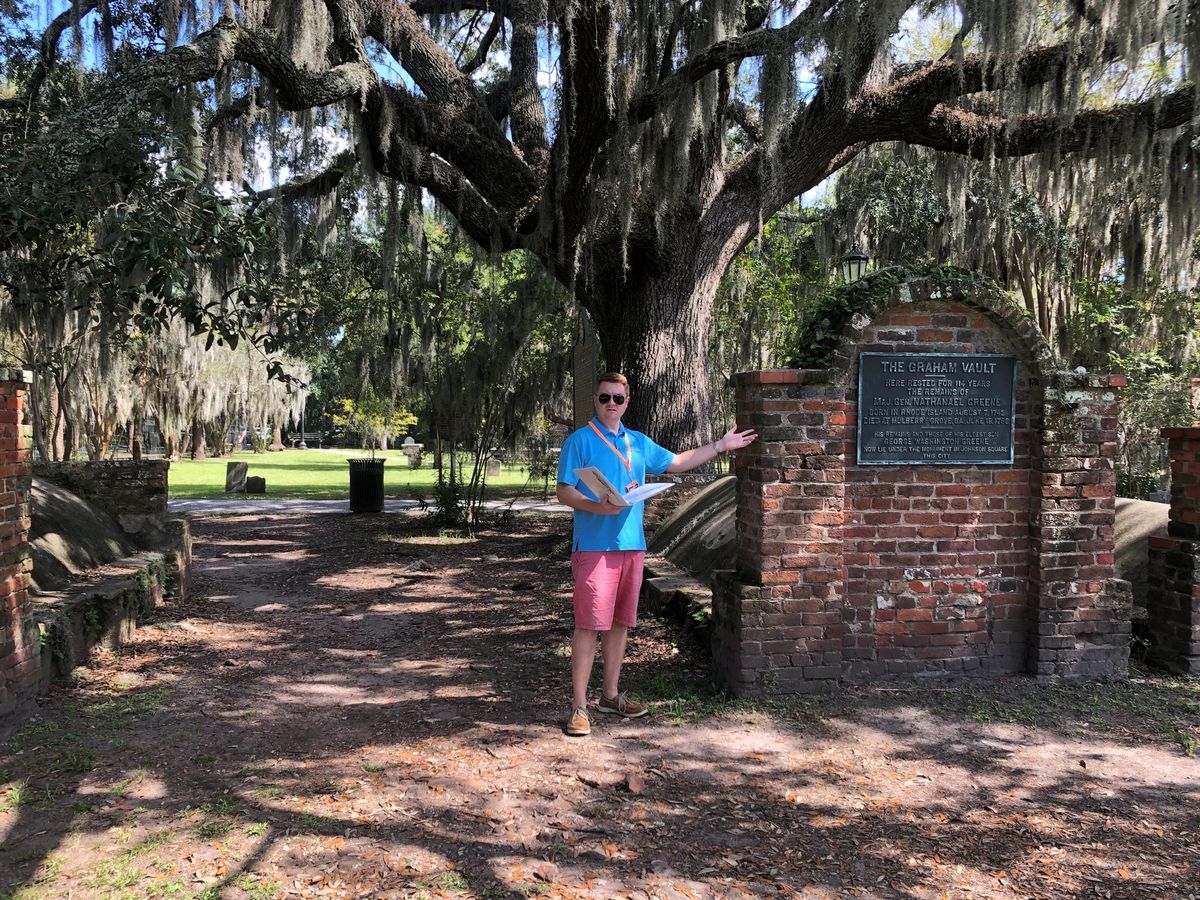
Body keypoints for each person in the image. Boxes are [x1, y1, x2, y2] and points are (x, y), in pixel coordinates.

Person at [555, 372, 757, 736]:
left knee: (620, 623)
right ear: (595, 400)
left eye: (618, 399)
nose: (611, 405)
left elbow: (677, 462)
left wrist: (721, 446)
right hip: (595, 548)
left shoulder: (638, 442)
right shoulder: (579, 441)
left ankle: (611, 695)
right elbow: (564, 491)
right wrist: (594, 506)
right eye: (604, 398)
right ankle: (579, 706)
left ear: (627, 402)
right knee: (589, 625)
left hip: (631, 545)